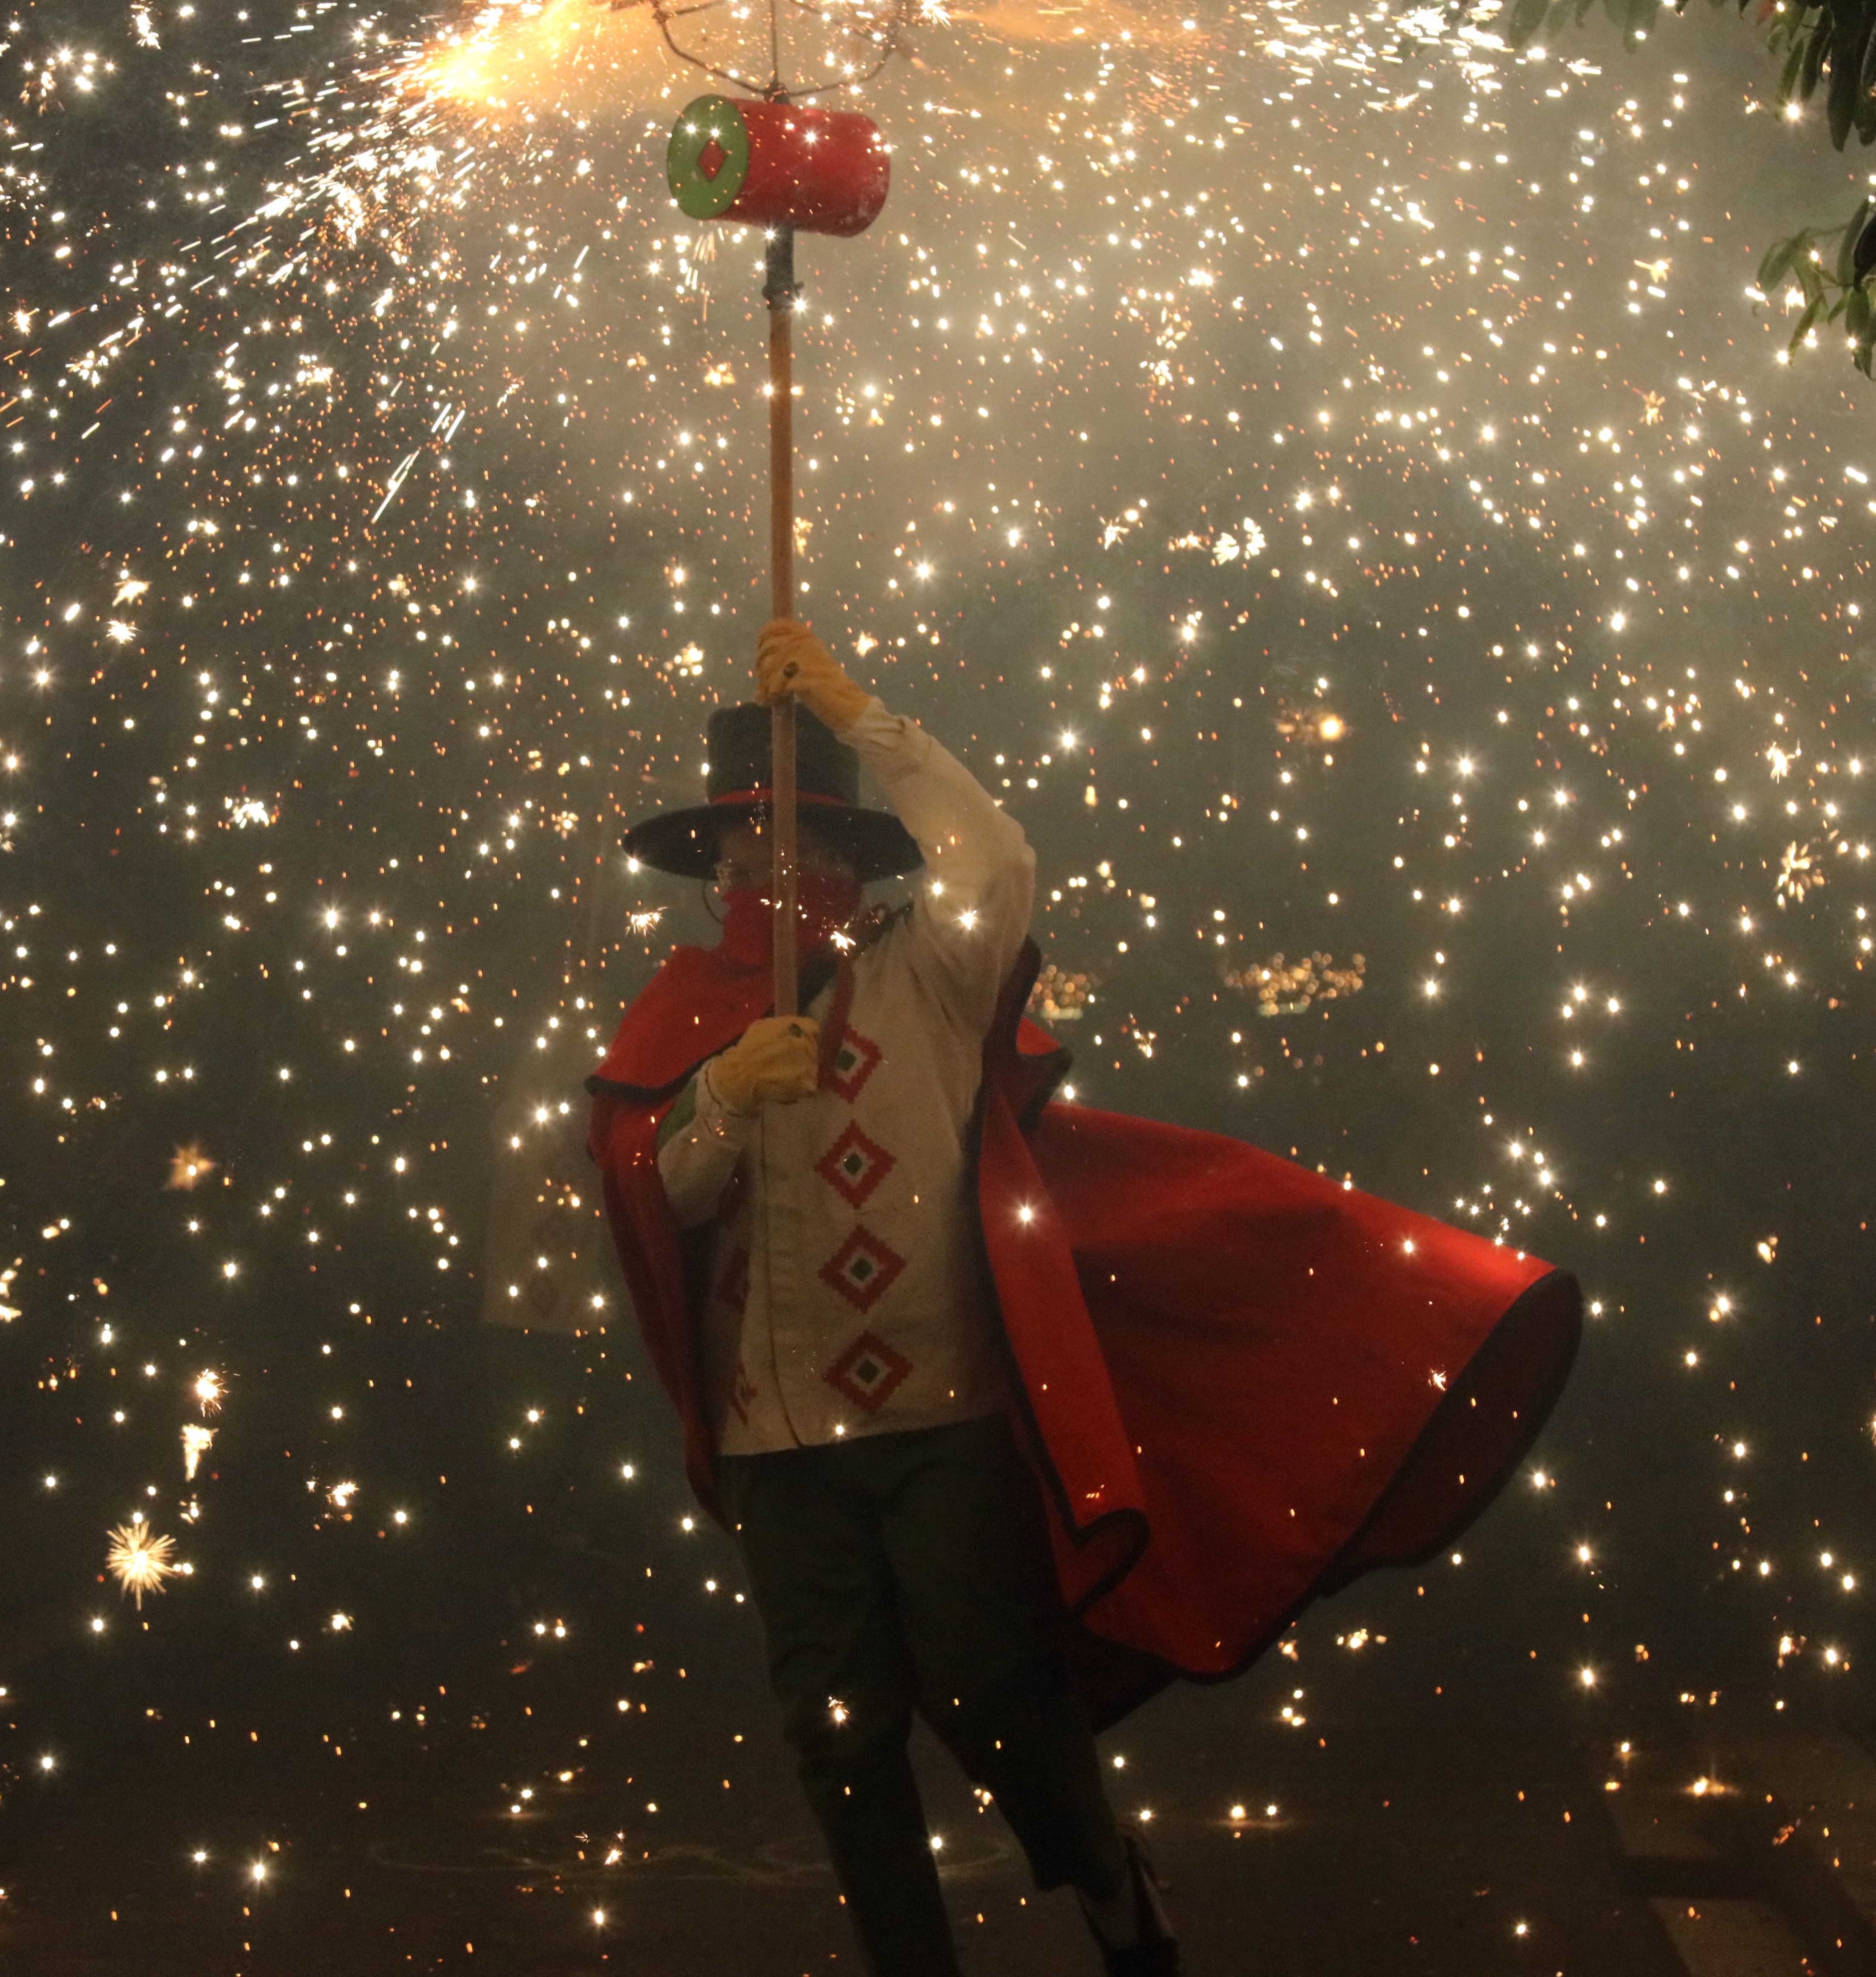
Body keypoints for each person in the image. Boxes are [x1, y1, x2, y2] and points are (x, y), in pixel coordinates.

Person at [590, 621, 1583, 1977]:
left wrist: (866, 716)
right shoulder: (680, 1017)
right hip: (781, 1443)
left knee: (996, 1689)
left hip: (938, 1412)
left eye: (801, 842)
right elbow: (655, 1205)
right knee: (837, 1731)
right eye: (746, 848)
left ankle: (1108, 1876)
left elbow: (997, 861)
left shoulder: (929, 971)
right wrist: (714, 1106)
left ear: (848, 854)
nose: (771, 870)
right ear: (713, 866)